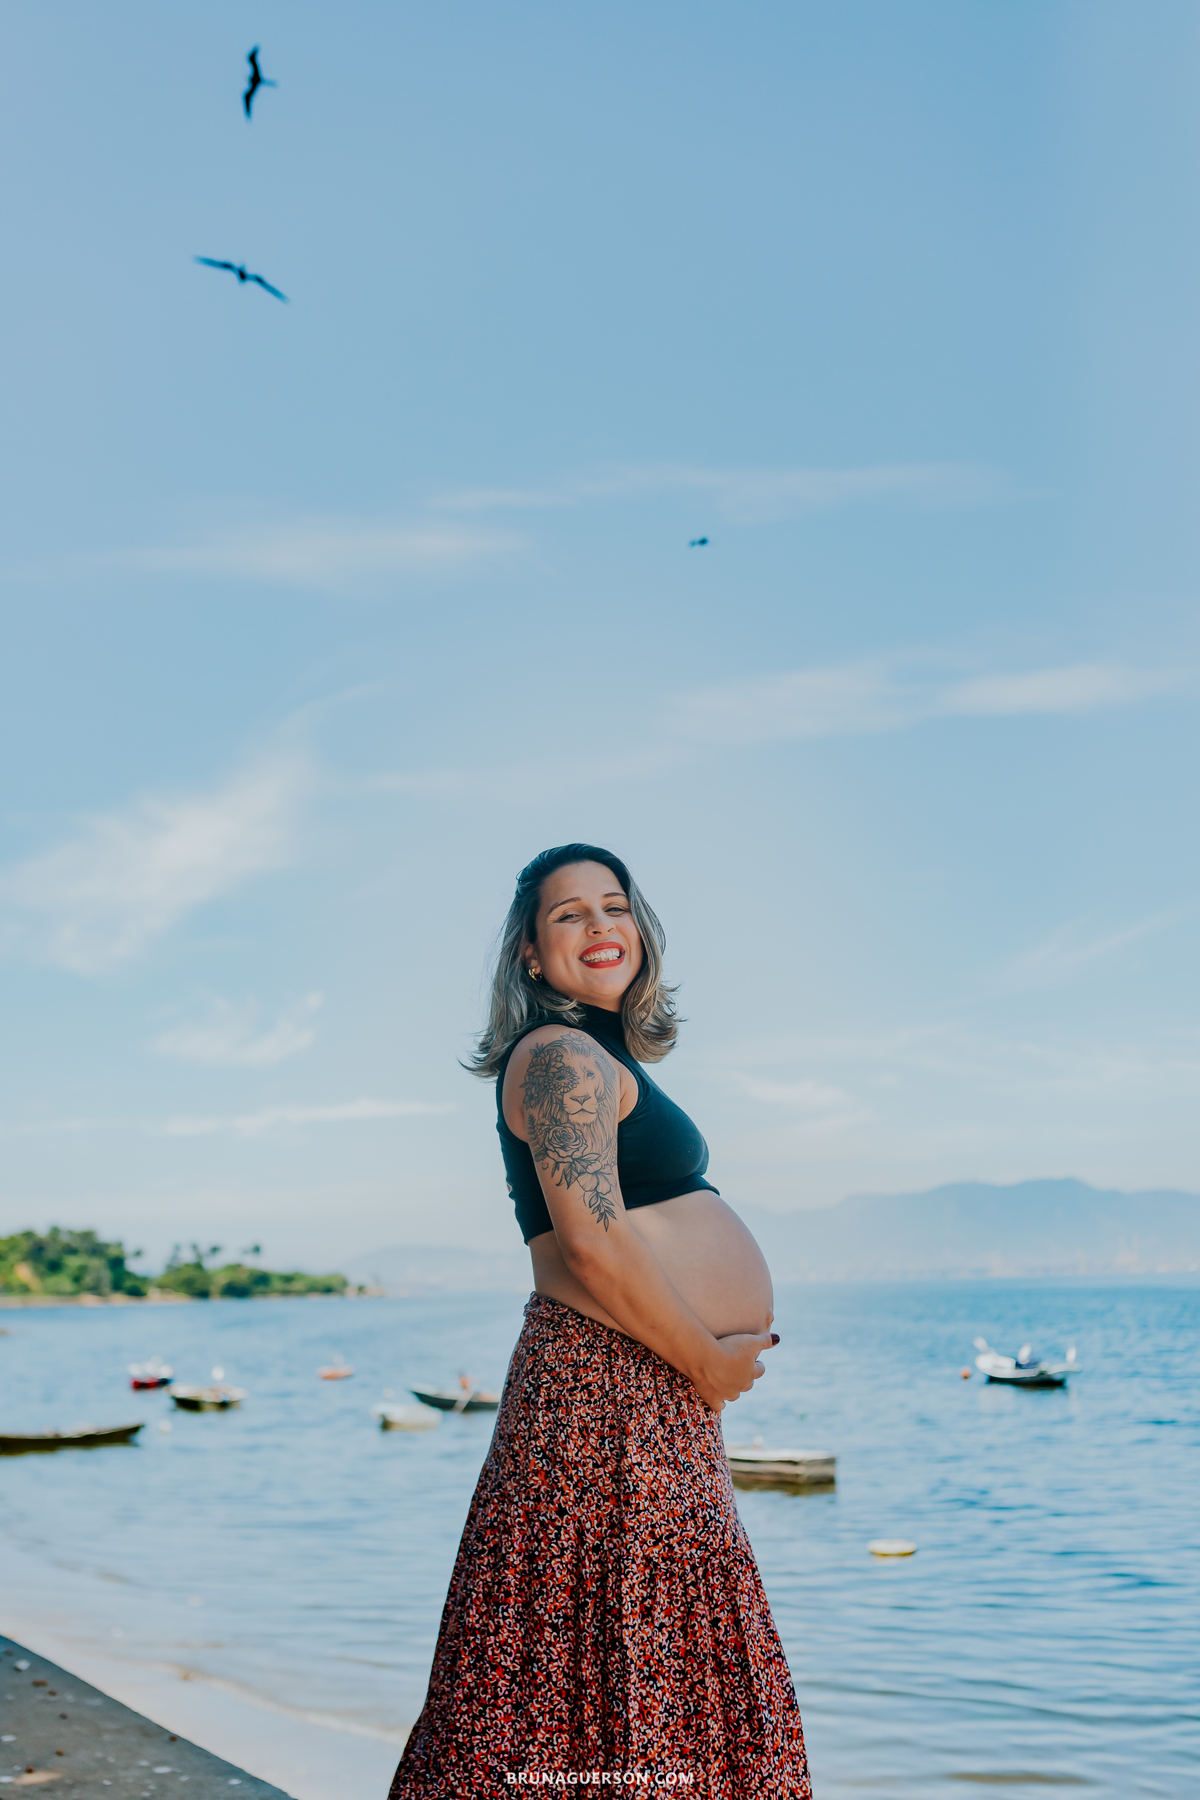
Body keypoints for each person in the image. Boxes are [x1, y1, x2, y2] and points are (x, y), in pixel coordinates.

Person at [390, 843, 811, 1799]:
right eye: (568, 914)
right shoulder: (558, 1054)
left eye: (613, 906)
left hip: (639, 1393)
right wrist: (707, 1362)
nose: (598, 927)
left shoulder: (603, 1058)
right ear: (532, 957)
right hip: (606, 1393)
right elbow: (589, 1243)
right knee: (601, 1667)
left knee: (627, 1663)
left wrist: (698, 1373)